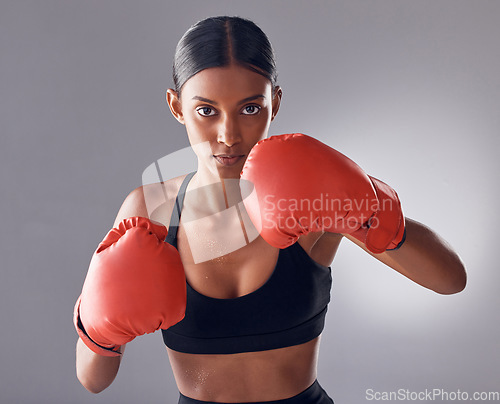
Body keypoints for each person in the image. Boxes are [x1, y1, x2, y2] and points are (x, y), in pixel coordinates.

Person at [74, 16, 467, 403]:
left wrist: (371, 209)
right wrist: (100, 332)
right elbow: (93, 380)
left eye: (249, 109)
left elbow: (450, 280)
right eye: (206, 111)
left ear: (274, 103)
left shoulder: (310, 192)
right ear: (177, 107)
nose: (228, 135)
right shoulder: (151, 208)